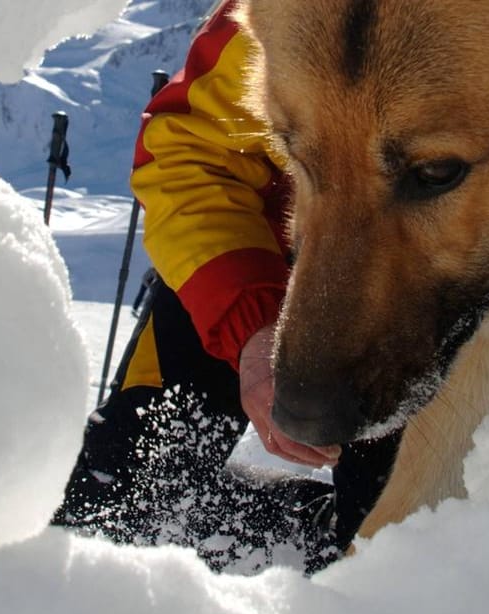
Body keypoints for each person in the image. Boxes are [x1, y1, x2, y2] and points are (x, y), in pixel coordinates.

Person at [50, 0, 400, 574]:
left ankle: (318, 550)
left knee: (387, 546)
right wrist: (251, 327)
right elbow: (192, 153)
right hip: (255, 257)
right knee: (117, 497)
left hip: (439, 292)